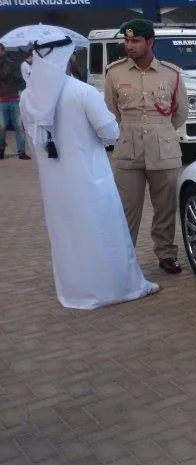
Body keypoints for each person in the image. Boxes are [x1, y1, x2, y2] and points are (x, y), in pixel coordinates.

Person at [19, 31, 159, 309]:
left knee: (67, 235)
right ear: (65, 57)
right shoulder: (82, 92)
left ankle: (76, 292)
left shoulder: (27, 97)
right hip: (90, 178)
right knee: (104, 231)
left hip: (54, 183)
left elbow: (33, 141)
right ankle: (119, 289)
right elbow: (110, 132)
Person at [104, 18, 188, 274]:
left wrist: (160, 130)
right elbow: (110, 110)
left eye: (135, 40)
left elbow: (180, 113)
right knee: (126, 208)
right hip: (128, 150)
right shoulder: (114, 73)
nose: (129, 45)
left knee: (165, 207)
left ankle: (166, 254)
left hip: (164, 148)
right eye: (126, 40)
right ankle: (125, 258)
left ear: (150, 42)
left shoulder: (171, 74)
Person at [0, 43, 29, 161]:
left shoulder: (9, 63)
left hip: (13, 98)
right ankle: (1, 149)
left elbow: (3, 74)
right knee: (1, 127)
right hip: (1, 100)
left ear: (3, 51)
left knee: (18, 126)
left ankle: (21, 151)